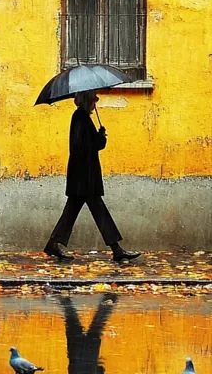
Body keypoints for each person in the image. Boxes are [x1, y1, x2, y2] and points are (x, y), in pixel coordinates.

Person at [44, 90, 140, 263]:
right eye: (94, 100)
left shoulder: (81, 118)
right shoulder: (80, 118)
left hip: (82, 176)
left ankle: (53, 244)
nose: (95, 103)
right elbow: (81, 146)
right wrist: (99, 139)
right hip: (84, 176)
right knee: (98, 211)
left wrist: (98, 137)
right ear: (88, 100)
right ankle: (117, 250)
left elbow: (86, 144)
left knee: (73, 212)